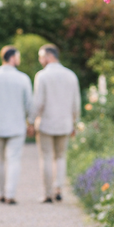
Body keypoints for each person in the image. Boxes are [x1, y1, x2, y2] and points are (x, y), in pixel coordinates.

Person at [0, 46, 34, 204]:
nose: (19, 59)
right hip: (16, 126)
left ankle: (1, 193)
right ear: (12, 58)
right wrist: (30, 122)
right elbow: (30, 104)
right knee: (14, 160)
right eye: (18, 56)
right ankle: (10, 194)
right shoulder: (23, 78)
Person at [31, 43, 81, 203]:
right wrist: (75, 122)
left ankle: (47, 193)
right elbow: (76, 103)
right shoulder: (71, 75)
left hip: (46, 123)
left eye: (41, 57)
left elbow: (38, 102)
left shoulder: (42, 76)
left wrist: (31, 121)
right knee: (60, 157)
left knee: (46, 157)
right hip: (65, 123)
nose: (40, 60)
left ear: (49, 56)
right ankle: (58, 189)